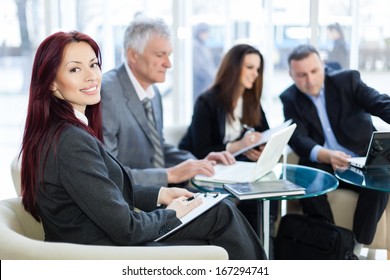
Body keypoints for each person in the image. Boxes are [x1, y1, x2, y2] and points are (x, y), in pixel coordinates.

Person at [19, 30, 266, 260]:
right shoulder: (71, 140)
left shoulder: (65, 130)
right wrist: (172, 213)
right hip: (103, 253)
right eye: (75, 69)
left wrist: (161, 194)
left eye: (93, 64)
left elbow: (105, 187)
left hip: (103, 238)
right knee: (220, 215)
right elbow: (127, 229)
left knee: (219, 211)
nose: (91, 75)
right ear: (51, 83)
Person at [101, 17, 235, 190]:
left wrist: (198, 163)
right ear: (132, 55)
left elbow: (157, 147)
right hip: (131, 200)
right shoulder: (107, 92)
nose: (168, 64)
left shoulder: (153, 91)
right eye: (159, 55)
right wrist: (169, 174)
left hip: (159, 192)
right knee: (221, 210)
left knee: (223, 203)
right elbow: (110, 174)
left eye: (169, 55)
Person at [279, 44, 390, 251]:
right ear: (291, 74)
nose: (309, 80)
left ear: (323, 65)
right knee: (308, 177)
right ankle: (329, 243)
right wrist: (326, 154)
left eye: (314, 71)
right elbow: (298, 138)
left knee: (380, 182)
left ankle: (355, 246)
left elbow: (380, 103)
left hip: (361, 161)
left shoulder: (347, 80)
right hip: (325, 164)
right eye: (301, 75)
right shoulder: (289, 98)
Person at [179, 43, 277, 238]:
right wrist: (240, 145)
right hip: (206, 170)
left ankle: (262, 246)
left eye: (257, 69)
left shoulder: (251, 101)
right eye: (249, 67)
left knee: (266, 197)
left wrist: (259, 148)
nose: (255, 74)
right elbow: (202, 150)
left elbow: (264, 133)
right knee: (256, 198)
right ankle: (254, 250)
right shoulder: (207, 102)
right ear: (233, 68)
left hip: (236, 170)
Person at [192, 23, 217, 102]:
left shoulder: (203, 45)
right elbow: (200, 68)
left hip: (206, 83)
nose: (207, 35)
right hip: (200, 84)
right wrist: (211, 77)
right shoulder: (195, 46)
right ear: (200, 33)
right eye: (205, 32)